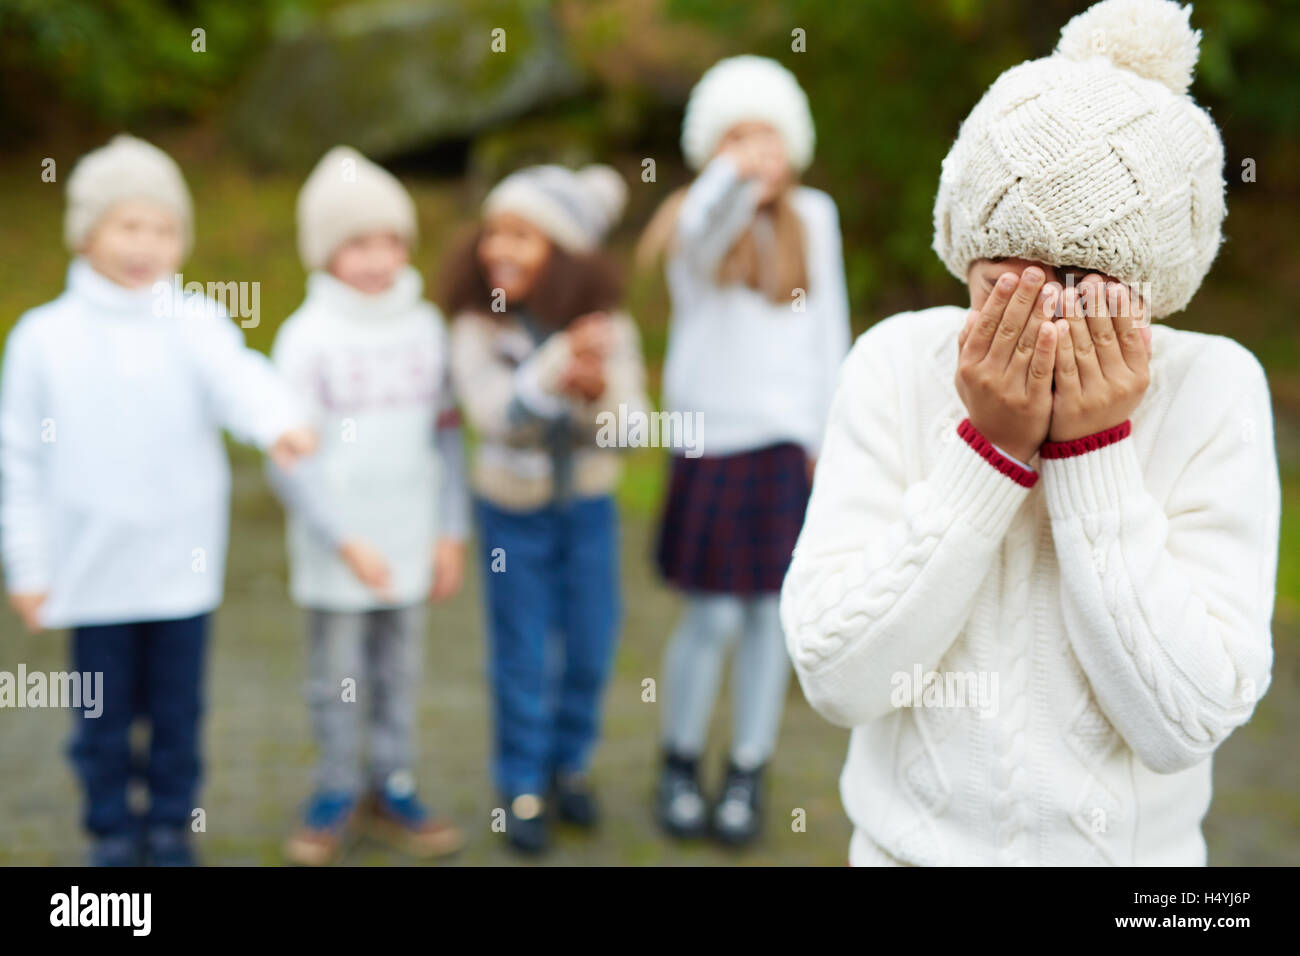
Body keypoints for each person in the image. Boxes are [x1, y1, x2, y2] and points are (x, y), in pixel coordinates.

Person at [781, 0, 1279, 866]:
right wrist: (989, 452)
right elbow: (836, 676)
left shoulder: (1214, 388)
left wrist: (1094, 454)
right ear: (964, 249)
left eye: (1088, 278)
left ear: (1156, 285)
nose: (1045, 309)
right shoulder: (897, 364)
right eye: (1010, 270)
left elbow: (1186, 720)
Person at [0, 135, 316, 866]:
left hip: (180, 569)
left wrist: (280, 422)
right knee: (102, 717)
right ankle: (110, 828)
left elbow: (240, 379)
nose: (146, 244)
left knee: (178, 712)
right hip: (90, 572)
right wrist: (29, 568)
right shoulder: (44, 338)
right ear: (87, 232)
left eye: (163, 228)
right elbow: (17, 460)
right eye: (128, 225)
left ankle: (172, 823)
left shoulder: (195, 323)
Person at [639, 55, 850, 845]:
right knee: (715, 614)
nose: (756, 151)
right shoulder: (698, 219)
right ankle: (679, 758)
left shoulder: (816, 219)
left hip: (783, 447)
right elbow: (705, 228)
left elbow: (830, 331)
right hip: (711, 441)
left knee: (772, 615)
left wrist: (832, 437)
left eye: (767, 136)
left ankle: (748, 771)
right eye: (736, 136)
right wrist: (733, 175)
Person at [269, 146, 470, 865]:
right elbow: (288, 456)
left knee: (400, 672)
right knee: (340, 676)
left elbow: (447, 439)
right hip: (341, 551)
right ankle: (334, 789)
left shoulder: (426, 328)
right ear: (325, 252)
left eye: (390, 240)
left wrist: (451, 533)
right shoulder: (305, 338)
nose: (378, 258)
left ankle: (393, 785)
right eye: (357, 243)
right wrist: (341, 537)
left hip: (410, 540)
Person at [443, 163, 650, 854]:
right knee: (521, 653)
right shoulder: (477, 323)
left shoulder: (606, 323)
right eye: (494, 231)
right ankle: (521, 783)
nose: (499, 247)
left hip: (587, 508)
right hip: (512, 515)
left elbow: (632, 430)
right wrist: (553, 371)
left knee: (591, 645)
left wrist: (594, 392)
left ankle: (572, 765)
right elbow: (494, 414)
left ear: (561, 252)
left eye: (522, 234)